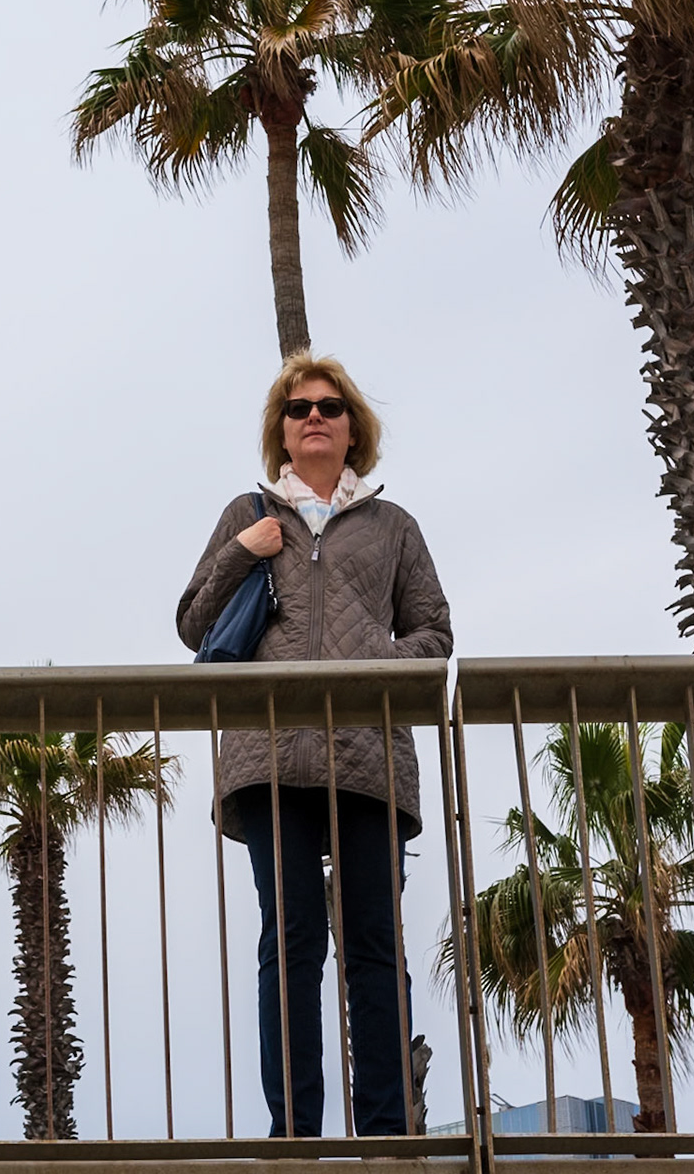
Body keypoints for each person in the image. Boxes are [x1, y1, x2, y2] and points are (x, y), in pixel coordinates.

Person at [177, 353, 452, 1138]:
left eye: (330, 406)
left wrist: (369, 663)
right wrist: (244, 550)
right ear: (283, 430)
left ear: (353, 427)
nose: (315, 417)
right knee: (292, 941)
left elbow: (434, 635)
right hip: (270, 755)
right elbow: (193, 624)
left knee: (373, 945)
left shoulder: (394, 527)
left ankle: (388, 1133)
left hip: (369, 754)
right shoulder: (248, 513)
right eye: (299, 409)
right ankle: (295, 1134)